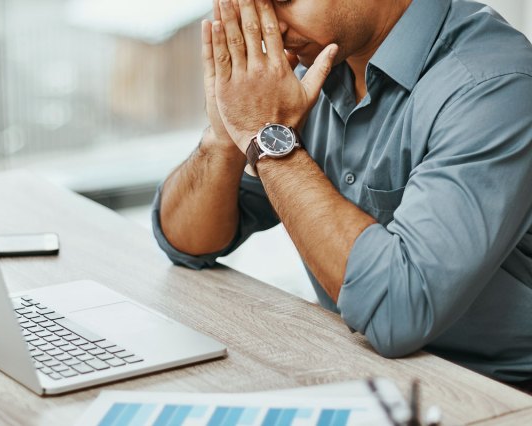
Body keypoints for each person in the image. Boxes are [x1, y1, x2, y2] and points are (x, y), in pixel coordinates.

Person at [152, 0, 532, 390]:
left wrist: (268, 138)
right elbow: (187, 242)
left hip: (496, 396)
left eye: (281, 1)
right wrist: (225, 135)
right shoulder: (310, 68)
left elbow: (396, 312)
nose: (270, 26)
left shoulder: (493, 84)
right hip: (361, 372)